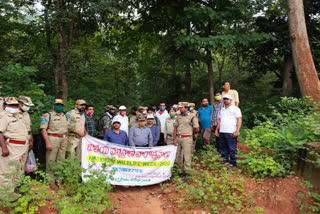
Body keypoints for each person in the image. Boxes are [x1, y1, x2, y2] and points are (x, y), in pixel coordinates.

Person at [0, 97, 29, 193]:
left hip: (20, 148)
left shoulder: (16, 116)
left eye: (15, 105)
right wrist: (4, 148)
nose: (14, 107)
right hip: (10, 147)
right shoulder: (3, 116)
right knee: (6, 171)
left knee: (15, 170)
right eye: (11, 105)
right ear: (4, 106)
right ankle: (5, 195)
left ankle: (13, 190)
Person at [40, 99, 69, 189]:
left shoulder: (65, 116)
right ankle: (50, 181)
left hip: (63, 138)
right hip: (53, 138)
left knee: (61, 160)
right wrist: (47, 142)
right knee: (51, 160)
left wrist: (67, 139)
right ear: (53, 106)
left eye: (61, 105)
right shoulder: (48, 115)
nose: (59, 106)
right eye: (57, 104)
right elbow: (43, 129)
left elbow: (66, 128)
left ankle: (58, 179)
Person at [215, 94, 242, 170]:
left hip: (231, 131)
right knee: (223, 147)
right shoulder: (222, 109)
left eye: (227, 99)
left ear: (231, 100)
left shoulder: (235, 109)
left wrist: (237, 130)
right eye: (224, 99)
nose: (225, 100)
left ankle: (233, 163)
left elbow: (239, 119)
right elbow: (220, 120)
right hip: (222, 131)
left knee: (232, 148)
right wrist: (217, 129)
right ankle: (225, 162)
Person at [173, 102, 199, 180]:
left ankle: (187, 172)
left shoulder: (192, 117)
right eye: (179, 107)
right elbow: (175, 127)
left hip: (187, 138)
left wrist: (191, 133)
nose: (180, 109)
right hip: (178, 137)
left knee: (187, 156)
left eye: (181, 108)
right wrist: (174, 138)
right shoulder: (178, 116)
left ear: (186, 108)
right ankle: (179, 170)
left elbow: (196, 128)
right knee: (178, 155)